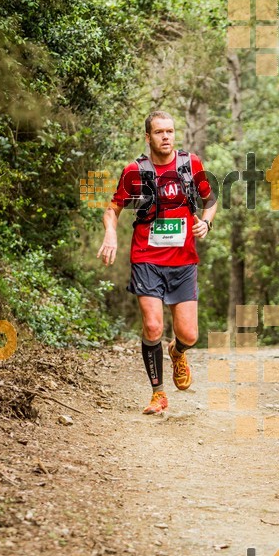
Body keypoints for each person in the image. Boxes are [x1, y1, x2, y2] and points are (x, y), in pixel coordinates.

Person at [96, 110, 217, 414]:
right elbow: (112, 209)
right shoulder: (134, 171)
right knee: (152, 326)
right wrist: (110, 234)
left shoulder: (191, 165)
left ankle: (177, 353)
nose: (166, 137)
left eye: (171, 131)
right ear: (148, 136)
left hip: (184, 260)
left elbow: (210, 200)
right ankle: (158, 394)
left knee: (189, 335)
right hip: (146, 258)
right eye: (160, 132)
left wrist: (206, 222)